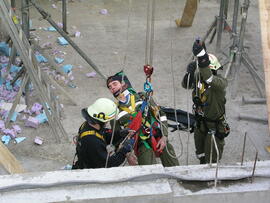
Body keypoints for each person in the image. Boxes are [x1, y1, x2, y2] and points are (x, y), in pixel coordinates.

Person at [106, 72, 179, 167]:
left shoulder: (143, 97)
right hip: (140, 143)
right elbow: (116, 137)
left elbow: (161, 115)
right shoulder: (115, 110)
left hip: (156, 135)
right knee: (148, 171)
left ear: (123, 84)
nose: (112, 88)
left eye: (115, 84)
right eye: (110, 87)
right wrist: (127, 154)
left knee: (171, 159)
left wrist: (164, 136)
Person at [181, 40, 230, 164]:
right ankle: (202, 163)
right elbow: (185, 85)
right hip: (201, 123)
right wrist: (190, 73)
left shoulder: (220, 83)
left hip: (214, 125)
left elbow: (209, 78)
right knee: (201, 152)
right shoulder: (199, 78)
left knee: (212, 156)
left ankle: (210, 177)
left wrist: (202, 55)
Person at [72, 98, 134, 169]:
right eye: (107, 121)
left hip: (88, 162)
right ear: (101, 121)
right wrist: (123, 151)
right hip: (89, 174)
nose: (107, 123)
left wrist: (119, 134)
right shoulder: (92, 141)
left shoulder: (89, 125)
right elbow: (108, 164)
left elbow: (102, 135)